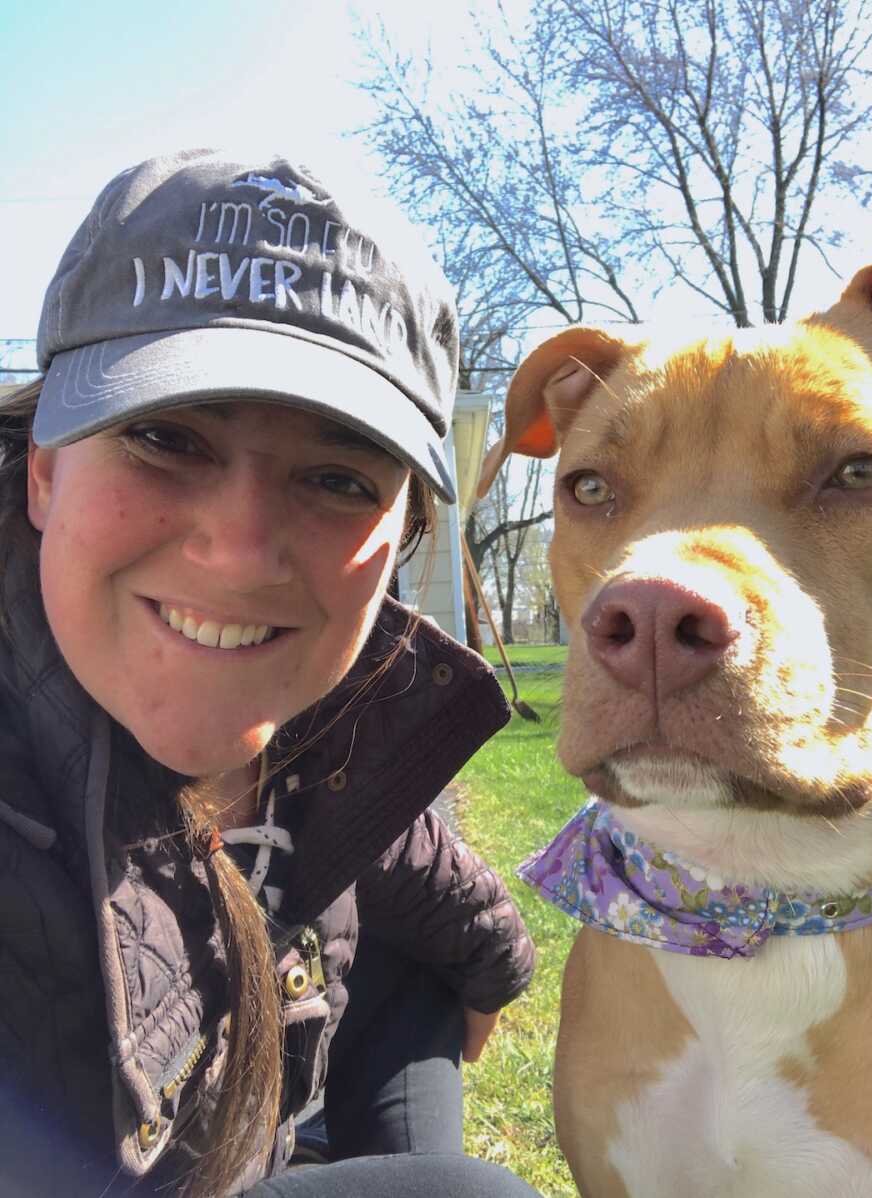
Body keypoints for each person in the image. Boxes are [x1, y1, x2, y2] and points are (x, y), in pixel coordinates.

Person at [0, 149, 540, 1198]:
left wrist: (497, 966)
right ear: (45, 471)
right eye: (165, 436)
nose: (243, 551)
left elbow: (413, 857)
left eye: (337, 477)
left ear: (400, 543)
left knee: (418, 965)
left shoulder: (330, 724)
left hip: (265, 1107)